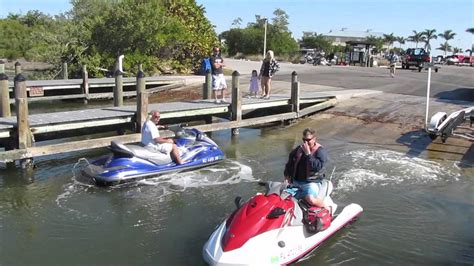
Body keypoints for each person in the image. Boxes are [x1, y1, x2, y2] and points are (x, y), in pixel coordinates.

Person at [283, 128, 328, 208]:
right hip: (296, 182)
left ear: (314, 139)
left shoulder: (320, 151)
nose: (305, 142)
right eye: (304, 139)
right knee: (281, 197)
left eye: (308, 140)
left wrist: (308, 154)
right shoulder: (298, 150)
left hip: (311, 183)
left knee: (311, 200)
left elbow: (317, 167)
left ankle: (326, 208)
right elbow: (289, 164)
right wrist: (287, 176)